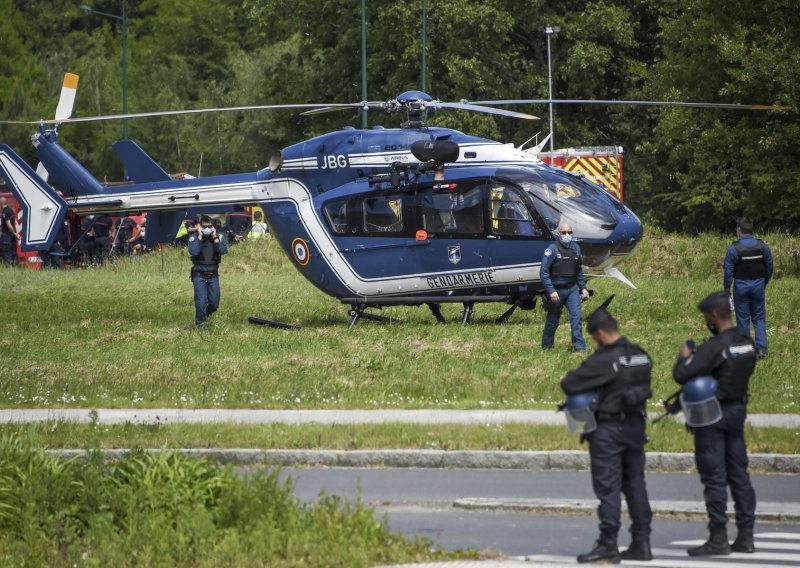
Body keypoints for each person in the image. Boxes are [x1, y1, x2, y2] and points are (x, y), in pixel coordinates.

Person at [561, 308, 654, 563]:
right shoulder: (641, 355)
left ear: (601, 334)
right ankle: (642, 542)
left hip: (609, 431)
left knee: (608, 488)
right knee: (635, 484)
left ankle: (608, 544)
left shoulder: (605, 360)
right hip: (636, 428)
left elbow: (570, 383)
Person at [672, 291, 758, 556]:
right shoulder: (746, 343)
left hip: (713, 415)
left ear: (715, 315)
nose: (706, 321)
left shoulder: (714, 347)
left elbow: (682, 374)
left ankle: (718, 538)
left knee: (714, 477)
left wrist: (685, 356)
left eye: (707, 317)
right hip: (737, 411)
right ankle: (745, 537)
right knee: (739, 475)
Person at [723, 217, 773, 359]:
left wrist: (727, 290)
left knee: (743, 318)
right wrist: (764, 282)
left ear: (739, 230)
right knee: (759, 317)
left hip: (741, 287)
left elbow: (728, 272)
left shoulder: (734, 248)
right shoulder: (763, 246)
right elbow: (769, 266)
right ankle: (761, 349)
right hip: (758, 285)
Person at [540, 222, 590, 350]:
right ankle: (547, 347)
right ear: (558, 234)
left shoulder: (576, 248)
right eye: (564, 232)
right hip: (557, 290)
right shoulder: (551, 250)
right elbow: (544, 273)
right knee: (553, 319)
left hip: (572, 289)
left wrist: (583, 288)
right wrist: (551, 291)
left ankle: (579, 347)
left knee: (576, 318)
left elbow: (578, 271)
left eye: (569, 232)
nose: (567, 235)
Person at [188, 215, 228, 327]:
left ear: (213, 226)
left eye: (209, 226)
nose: (207, 229)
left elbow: (223, 250)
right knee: (201, 302)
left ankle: (204, 316)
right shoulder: (194, 238)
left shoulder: (218, 237)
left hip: (213, 275)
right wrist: (200, 237)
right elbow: (194, 252)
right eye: (205, 227)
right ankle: (200, 324)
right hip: (199, 274)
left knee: (214, 303)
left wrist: (215, 237)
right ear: (200, 226)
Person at [1, 197, 20, 264]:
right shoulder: (10, 210)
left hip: (7, 234)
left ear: (1, 203)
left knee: (6, 252)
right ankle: (15, 266)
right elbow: (15, 222)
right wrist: (16, 233)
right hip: (12, 234)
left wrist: (15, 234)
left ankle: (8, 268)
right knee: (13, 251)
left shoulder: (5, 212)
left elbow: (8, 225)